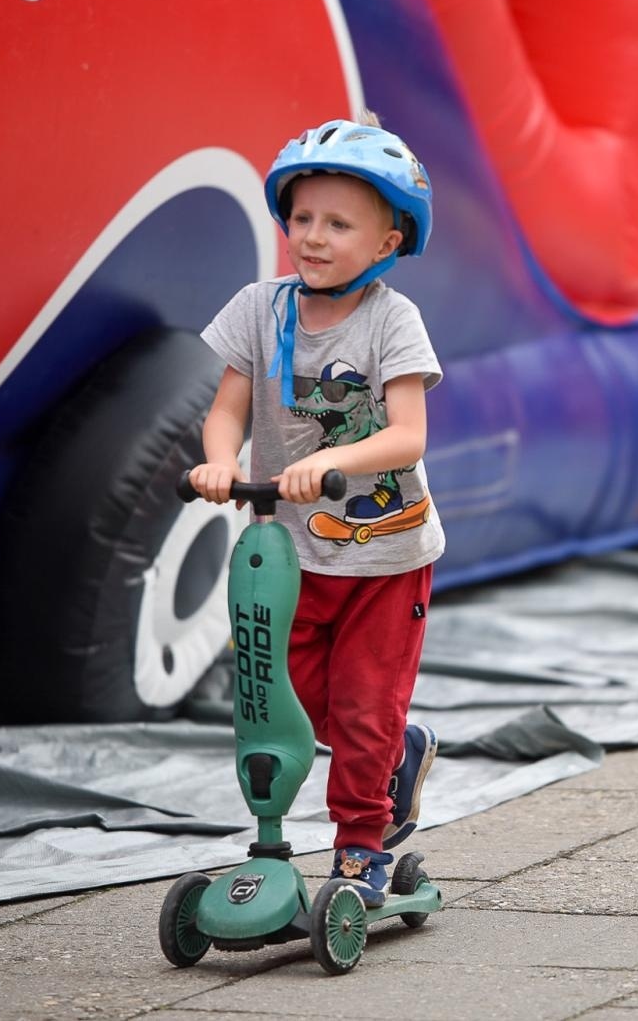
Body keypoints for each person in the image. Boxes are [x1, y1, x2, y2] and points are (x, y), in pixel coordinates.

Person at [189, 113, 444, 907]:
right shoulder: (259, 309)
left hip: (383, 555)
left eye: (339, 224)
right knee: (297, 707)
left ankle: (360, 847)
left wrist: (330, 457)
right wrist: (222, 460)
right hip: (291, 553)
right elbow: (226, 407)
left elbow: (406, 436)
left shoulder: (391, 320)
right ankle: (402, 753)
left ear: (387, 243)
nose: (313, 237)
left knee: (363, 712)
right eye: (302, 218)